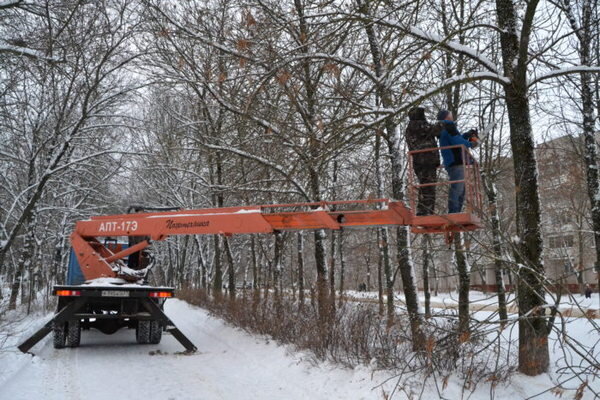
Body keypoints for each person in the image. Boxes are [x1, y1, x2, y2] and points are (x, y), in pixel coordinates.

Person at [437, 110, 478, 214]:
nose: (452, 115)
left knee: (461, 189)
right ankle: (454, 212)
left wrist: (466, 135)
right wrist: (470, 144)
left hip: (455, 162)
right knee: (457, 189)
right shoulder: (448, 127)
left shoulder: (446, 128)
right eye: (450, 114)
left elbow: (457, 139)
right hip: (455, 162)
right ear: (446, 117)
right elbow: (457, 141)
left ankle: (456, 212)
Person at [405, 107, 441, 216]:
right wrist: (444, 124)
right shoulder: (418, 125)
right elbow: (435, 130)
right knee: (428, 186)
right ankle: (425, 211)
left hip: (420, 161)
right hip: (426, 160)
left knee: (426, 185)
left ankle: (425, 210)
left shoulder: (412, 127)